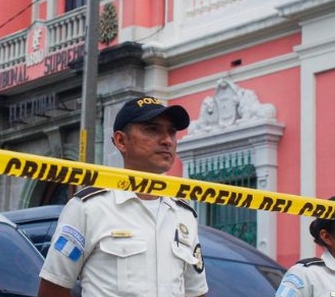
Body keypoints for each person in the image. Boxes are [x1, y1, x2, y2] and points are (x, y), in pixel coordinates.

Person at [38, 95, 208, 297]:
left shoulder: (184, 214)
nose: (167, 141)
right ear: (121, 140)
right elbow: (53, 288)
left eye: (171, 132)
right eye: (152, 129)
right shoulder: (89, 207)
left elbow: (195, 292)